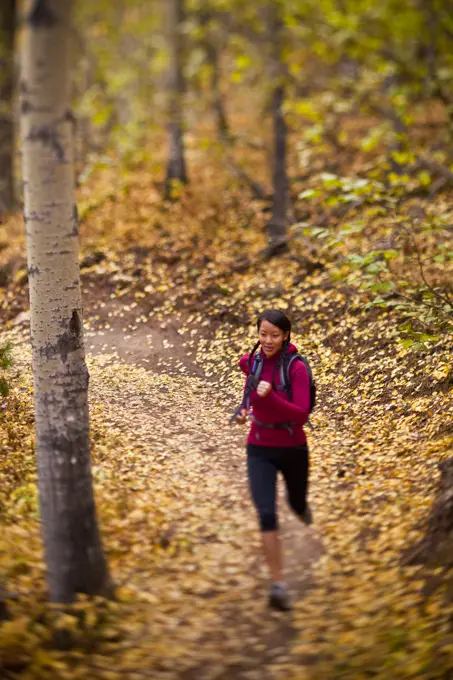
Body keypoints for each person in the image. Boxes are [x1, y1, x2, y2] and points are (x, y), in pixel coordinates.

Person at [235, 309, 312, 612]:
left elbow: (302, 414)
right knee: (266, 514)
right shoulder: (251, 362)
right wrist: (244, 414)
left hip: (293, 448)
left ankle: (301, 506)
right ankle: (278, 585)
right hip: (259, 448)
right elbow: (249, 399)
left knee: (295, 502)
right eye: (263, 334)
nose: (268, 340)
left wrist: (271, 398)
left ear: (285, 336)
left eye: (274, 335)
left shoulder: (296, 369)